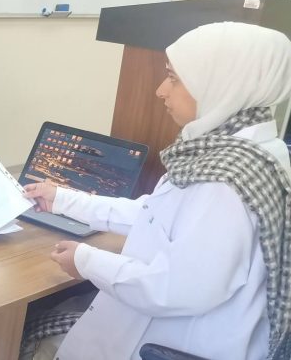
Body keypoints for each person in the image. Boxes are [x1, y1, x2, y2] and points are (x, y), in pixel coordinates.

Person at [23, 22, 291, 359]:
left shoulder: (225, 180)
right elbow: (157, 215)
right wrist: (63, 199)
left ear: (221, 85)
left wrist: (87, 261)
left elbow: (177, 289)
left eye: (174, 78)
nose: (161, 91)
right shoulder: (249, 150)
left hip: (170, 343)